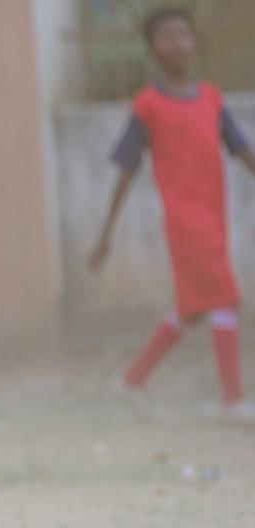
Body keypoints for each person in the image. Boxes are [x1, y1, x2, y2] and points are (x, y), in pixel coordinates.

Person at [90, 7, 255, 420]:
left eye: (184, 34)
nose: (178, 42)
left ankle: (131, 381)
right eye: (168, 36)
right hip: (185, 222)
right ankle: (234, 400)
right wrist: (105, 233)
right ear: (153, 48)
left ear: (193, 41)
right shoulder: (147, 106)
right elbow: (126, 170)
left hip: (214, 217)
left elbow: (241, 150)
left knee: (193, 309)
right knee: (224, 299)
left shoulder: (212, 99)